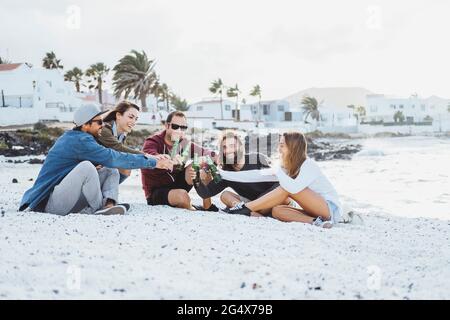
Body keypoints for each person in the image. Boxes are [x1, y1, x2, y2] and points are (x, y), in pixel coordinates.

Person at [19, 105, 173, 216]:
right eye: (99, 122)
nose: (102, 125)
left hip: (65, 198)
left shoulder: (83, 138)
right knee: (88, 167)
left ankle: (109, 204)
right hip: (48, 204)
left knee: (109, 169)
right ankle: (98, 207)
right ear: (86, 125)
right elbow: (113, 156)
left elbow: (112, 160)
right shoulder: (79, 140)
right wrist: (153, 162)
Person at [221, 132, 342, 228]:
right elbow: (255, 175)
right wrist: (222, 174)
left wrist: (277, 170)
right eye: (279, 144)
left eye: (282, 145)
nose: (278, 148)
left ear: (292, 147)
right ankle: (316, 222)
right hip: (314, 212)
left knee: (286, 188)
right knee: (277, 211)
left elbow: (294, 188)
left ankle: (245, 208)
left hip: (329, 210)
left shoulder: (308, 164)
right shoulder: (286, 168)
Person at [141, 111, 218, 211]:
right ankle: (192, 208)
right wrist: (167, 158)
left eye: (183, 127)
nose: (179, 130)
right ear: (167, 125)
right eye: (175, 126)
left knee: (201, 165)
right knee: (183, 196)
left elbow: (207, 152)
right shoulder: (153, 141)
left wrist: (208, 160)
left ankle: (207, 206)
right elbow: (150, 155)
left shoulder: (184, 143)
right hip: (156, 191)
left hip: (177, 183)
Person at [196, 130, 281, 213]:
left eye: (232, 146)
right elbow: (206, 193)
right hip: (250, 203)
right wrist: (196, 177)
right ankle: (251, 212)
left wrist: (259, 202)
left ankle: (249, 211)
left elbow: (279, 183)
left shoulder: (258, 159)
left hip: (270, 200)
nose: (228, 150)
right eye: (224, 147)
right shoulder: (226, 172)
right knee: (225, 195)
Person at [96, 101, 156, 184]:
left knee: (125, 167)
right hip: (88, 169)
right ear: (118, 115)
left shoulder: (121, 135)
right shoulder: (104, 129)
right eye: (131, 117)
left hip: (101, 167)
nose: (134, 122)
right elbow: (118, 147)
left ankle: (107, 193)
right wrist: (146, 155)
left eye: (136, 119)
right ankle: (105, 193)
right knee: (122, 165)